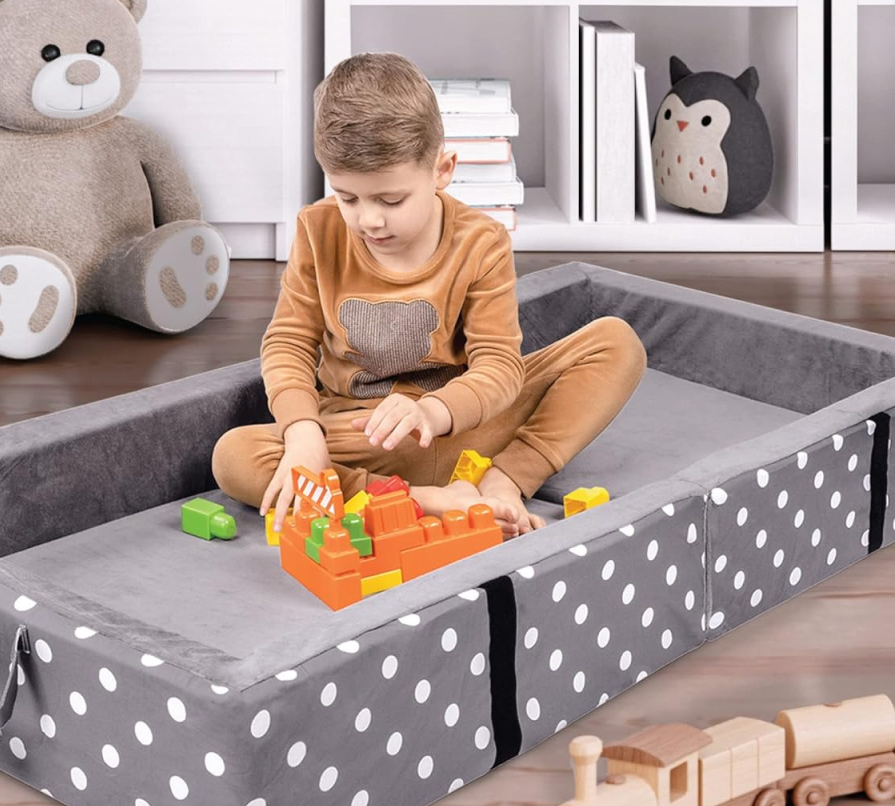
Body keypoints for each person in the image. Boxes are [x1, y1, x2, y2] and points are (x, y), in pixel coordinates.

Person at [212, 52, 646, 539]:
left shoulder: (481, 241)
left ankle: (504, 482)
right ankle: (423, 501)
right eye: (347, 197)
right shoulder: (317, 229)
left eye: (390, 200)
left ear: (442, 170)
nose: (368, 220)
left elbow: (500, 367)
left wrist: (433, 412)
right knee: (235, 456)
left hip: (465, 425)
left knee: (616, 342)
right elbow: (288, 343)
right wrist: (303, 433)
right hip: (362, 436)